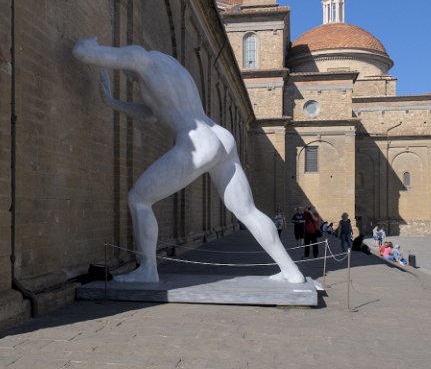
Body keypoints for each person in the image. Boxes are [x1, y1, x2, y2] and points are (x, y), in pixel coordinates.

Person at [72, 38, 304, 283]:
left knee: (138, 199)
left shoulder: (140, 58)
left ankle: (148, 271)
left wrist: (91, 45)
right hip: (221, 136)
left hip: (197, 140)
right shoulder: (171, 67)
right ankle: (291, 271)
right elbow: (152, 115)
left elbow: (83, 52)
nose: (129, 79)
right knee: (247, 210)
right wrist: (113, 103)